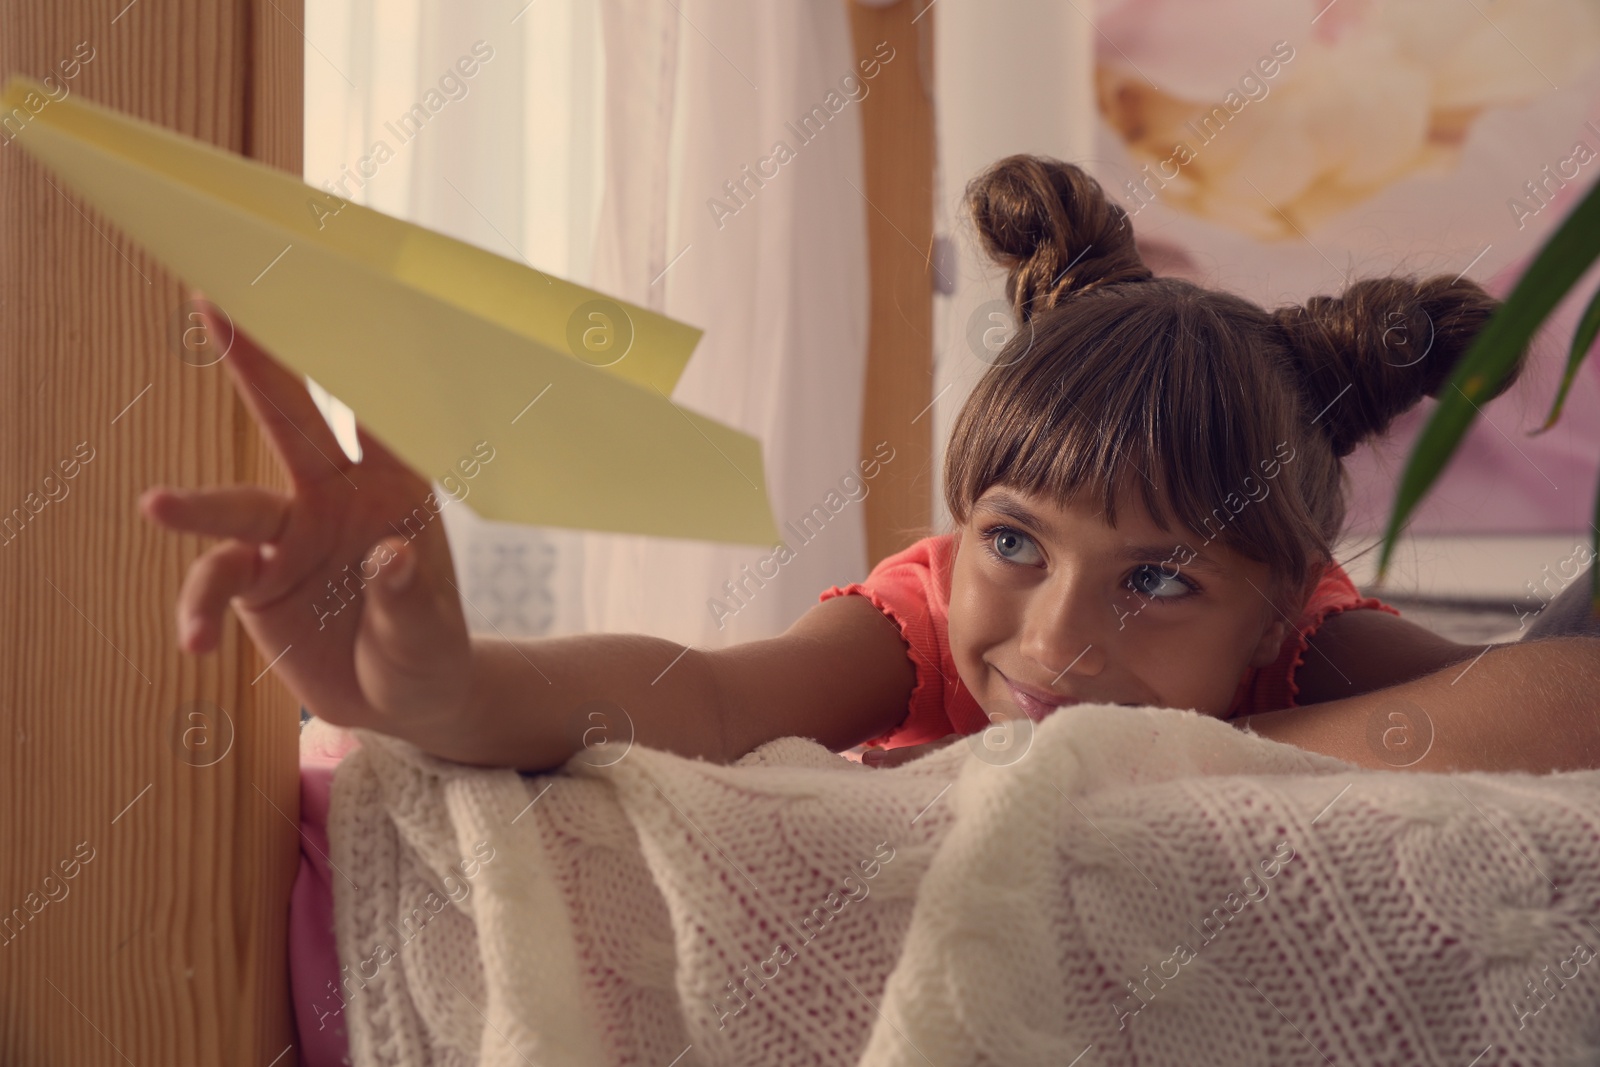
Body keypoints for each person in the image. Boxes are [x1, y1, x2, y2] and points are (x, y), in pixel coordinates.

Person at [139, 153, 1600, 1060]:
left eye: (1158, 581)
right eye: (1015, 542)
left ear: (1278, 608)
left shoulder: (1309, 643)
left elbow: (1553, 703)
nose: (1052, 645)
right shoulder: (925, 610)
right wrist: (432, 689)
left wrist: (1230, 753)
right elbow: (703, 696)